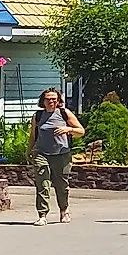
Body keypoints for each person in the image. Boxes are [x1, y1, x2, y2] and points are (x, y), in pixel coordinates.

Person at [31, 88, 82, 224]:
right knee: (43, 184)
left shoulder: (64, 113)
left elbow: (81, 131)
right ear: (43, 101)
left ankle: (64, 210)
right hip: (41, 153)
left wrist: (69, 129)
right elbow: (33, 136)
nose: (51, 101)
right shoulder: (38, 116)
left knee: (61, 185)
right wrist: (29, 151)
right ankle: (42, 215)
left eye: (54, 99)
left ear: (58, 100)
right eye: (48, 99)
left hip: (61, 154)